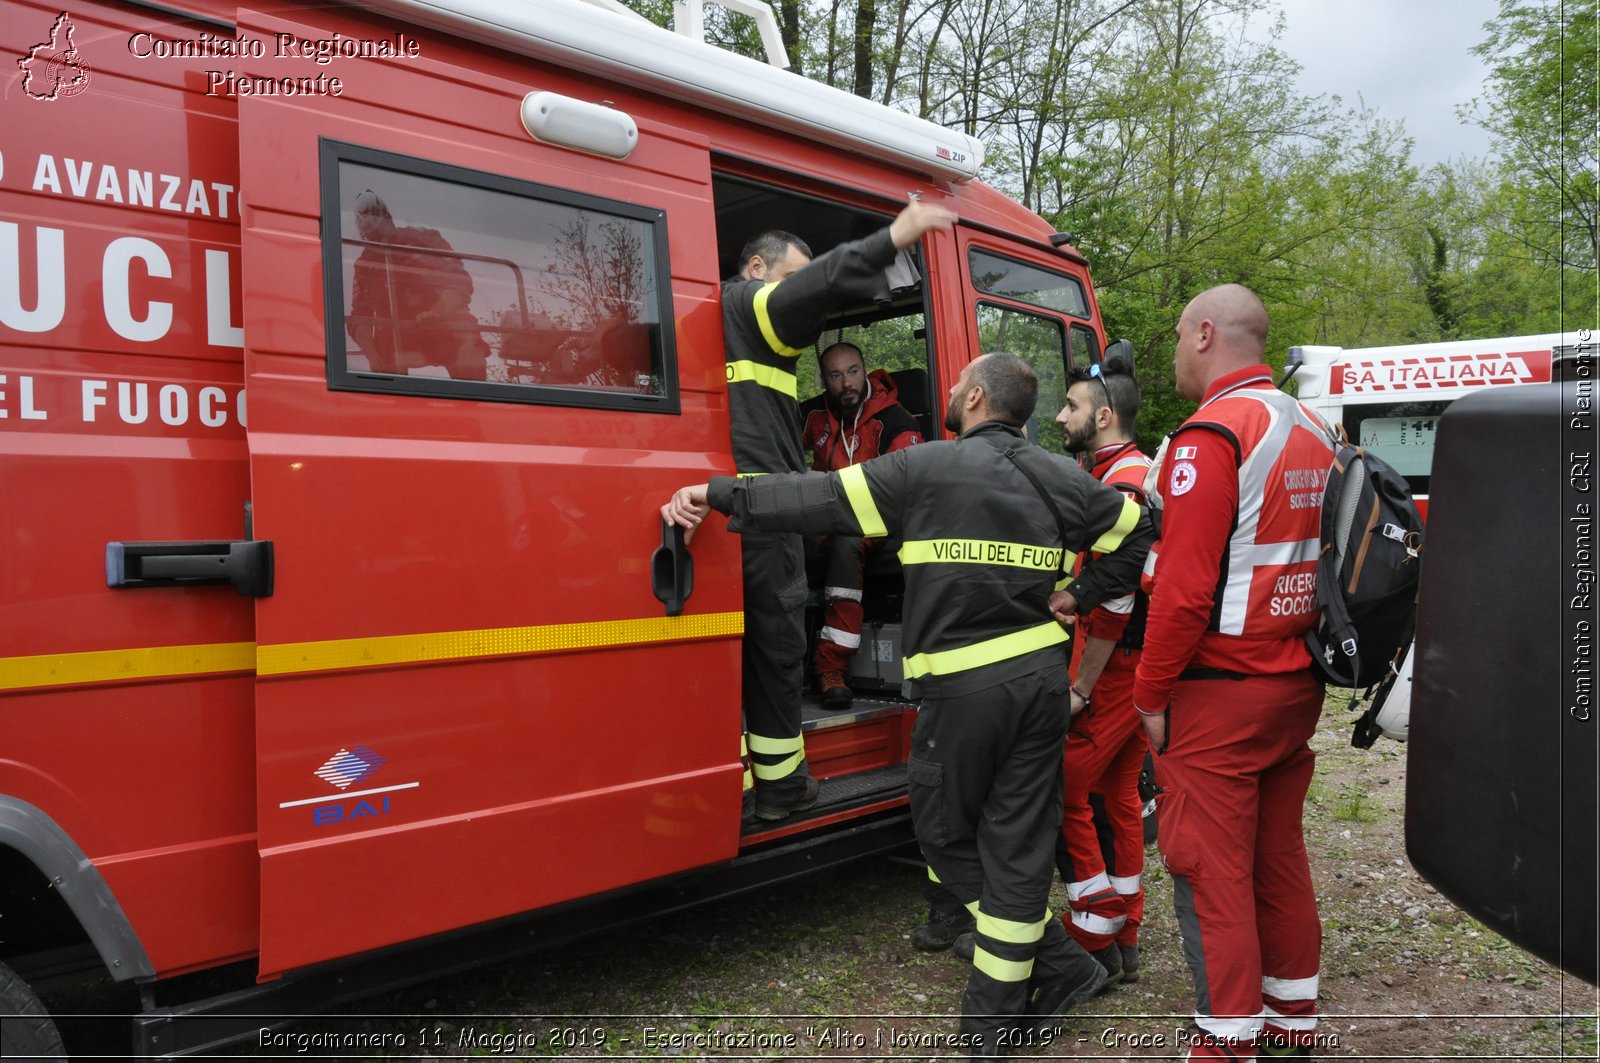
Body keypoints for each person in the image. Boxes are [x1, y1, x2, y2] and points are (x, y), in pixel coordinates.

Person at [663, 352, 1156, 1055]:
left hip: (962, 695)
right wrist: (1079, 592)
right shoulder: (1064, 478)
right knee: (1016, 847)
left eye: (957, 386)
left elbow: (813, 496)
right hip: (1039, 691)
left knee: (946, 835)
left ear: (979, 397)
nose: (948, 392)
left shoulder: (923, 466)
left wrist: (717, 492)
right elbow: (1142, 528)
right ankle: (1015, 1005)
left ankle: (1042, 977)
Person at [1134, 285, 1337, 1059]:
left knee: (1211, 867)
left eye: (1182, 332)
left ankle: (1227, 1041)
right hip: (1295, 682)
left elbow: (1183, 593)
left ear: (1207, 334)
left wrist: (1149, 694)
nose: (1178, 346)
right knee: (1278, 854)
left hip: (1221, 692)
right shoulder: (1311, 423)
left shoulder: (1211, 433)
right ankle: (1292, 1019)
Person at [721, 198, 955, 822]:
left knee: (736, 646)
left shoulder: (721, 332)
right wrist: (891, 239)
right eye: (787, 279)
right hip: (767, 519)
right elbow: (809, 290)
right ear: (754, 270)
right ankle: (781, 786)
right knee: (775, 645)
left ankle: (752, 778)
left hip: (740, 507)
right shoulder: (749, 307)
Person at [1051, 355, 1154, 988]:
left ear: (1103, 416)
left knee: (1064, 786)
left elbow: (1117, 602)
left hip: (1113, 670)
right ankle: (1129, 929)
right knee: (1118, 796)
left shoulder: (1121, 486)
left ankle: (1094, 931)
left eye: (1071, 406)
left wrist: (1081, 687)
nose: (1062, 416)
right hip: (1134, 665)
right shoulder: (1130, 471)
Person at [800, 341, 924, 709]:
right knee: (776, 537)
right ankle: (781, 659)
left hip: (878, 523)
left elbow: (902, 491)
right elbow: (778, 433)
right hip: (825, 517)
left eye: (853, 372)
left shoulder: (897, 420)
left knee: (844, 543)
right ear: (825, 380)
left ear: (864, 369)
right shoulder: (815, 415)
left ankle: (830, 668)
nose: (846, 383)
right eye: (835, 376)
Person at [346, 189, 489, 379]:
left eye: (379, 231)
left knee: (469, 347)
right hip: (398, 331)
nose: (377, 241)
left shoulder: (426, 240)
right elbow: (360, 316)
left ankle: (477, 402)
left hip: (444, 320)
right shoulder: (365, 265)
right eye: (371, 236)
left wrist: (437, 312)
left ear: (388, 219)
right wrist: (372, 356)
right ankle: (394, 403)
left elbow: (459, 282)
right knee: (383, 357)